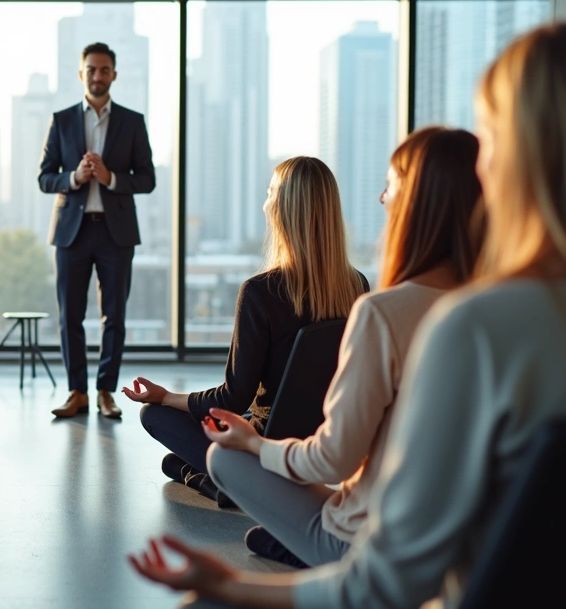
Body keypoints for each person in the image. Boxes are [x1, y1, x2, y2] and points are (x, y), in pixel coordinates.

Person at [128, 24, 566, 609]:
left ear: (519, 153)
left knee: (217, 458)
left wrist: (228, 587)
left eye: (490, 135)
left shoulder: (472, 327)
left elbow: (388, 582)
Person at [202, 127, 484, 569]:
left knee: (225, 458)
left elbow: (333, 460)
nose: (380, 198)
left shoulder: (383, 312)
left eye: (390, 185)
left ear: (417, 203)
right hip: (449, 534)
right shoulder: (485, 309)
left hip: (371, 539)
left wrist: (254, 444)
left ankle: (298, 541)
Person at [124, 157, 367, 504]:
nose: (264, 203)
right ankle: (205, 477)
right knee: (174, 463)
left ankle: (227, 484)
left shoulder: (260, 291)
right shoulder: (357, 285)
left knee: (155, 415)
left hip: (265, 447)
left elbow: (233, 399)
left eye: (269, 193)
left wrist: (165, 397)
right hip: (324, 441)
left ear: (283, 209)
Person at [39, 42, 155, 420]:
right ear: (81, 74)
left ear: (114, 75)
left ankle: (106, 391)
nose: (98, 76)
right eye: (92, 69)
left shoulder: (132, 121)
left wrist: (111, 177)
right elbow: (44, 177)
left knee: (114, 317)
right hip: (71, 231)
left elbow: (148, 179)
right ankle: (77, 393)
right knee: (69, 316)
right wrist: (75, 177)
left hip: (115, 232)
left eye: (105, 70)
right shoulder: (62, 120)